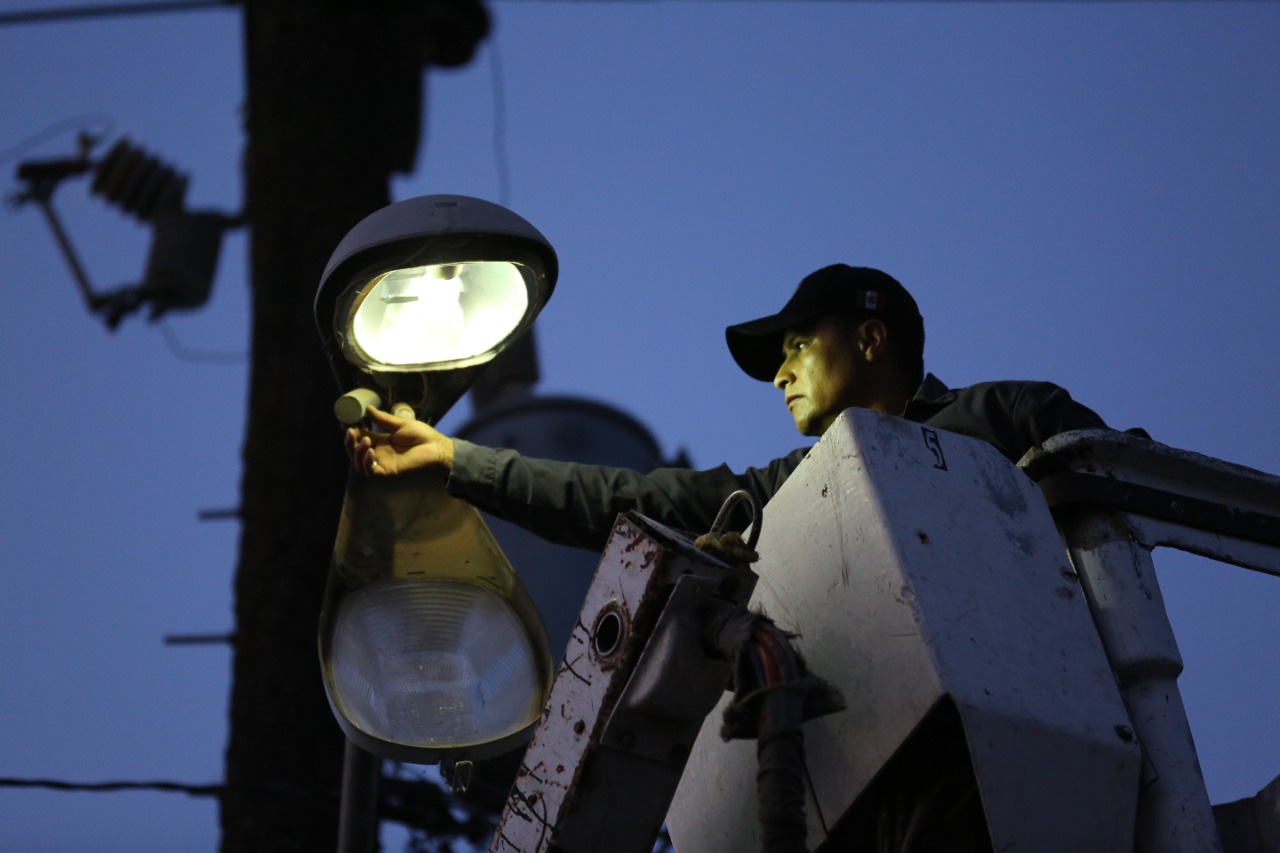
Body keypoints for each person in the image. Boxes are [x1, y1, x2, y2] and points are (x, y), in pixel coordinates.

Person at [346, 263, 1108, 551]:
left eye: (796, 346)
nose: (780, 375)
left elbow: (1134, 482)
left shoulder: (1004, 416)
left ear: (871, 337)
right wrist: (457, 459)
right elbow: (633, 503)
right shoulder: (793, 489)